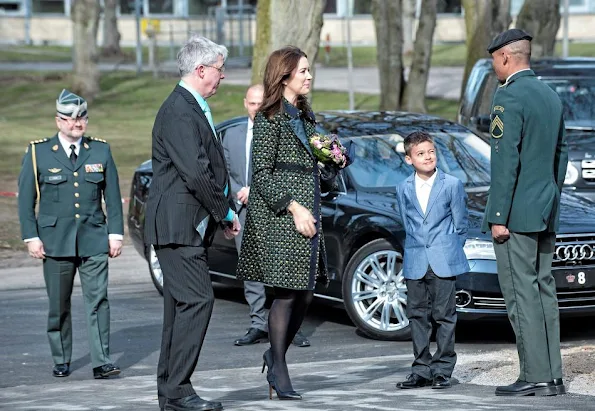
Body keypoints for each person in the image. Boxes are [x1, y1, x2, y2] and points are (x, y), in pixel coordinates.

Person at [145, 35, 240, 411]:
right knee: (199, 301)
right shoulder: (180, 110)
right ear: (200, 70)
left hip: (182, 225)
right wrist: (226, 212)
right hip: (177, 225)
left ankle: (170, 392)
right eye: (219, 69)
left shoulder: (189, 107)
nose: (222, 77)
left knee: (179, 307)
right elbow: (197, 173)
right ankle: (178, 390)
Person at [235, 46, 329, 400]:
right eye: (303, 70)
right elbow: (260, 173)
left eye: (308, 70)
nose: (309, 76)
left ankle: (274, 357)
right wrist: (294, 208)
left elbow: (309, 162)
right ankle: (280, 368)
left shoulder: (304, 115)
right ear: (285, 75)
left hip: (309, 210)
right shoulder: (269, 116)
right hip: (280, 216)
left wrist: (331, 164)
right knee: (288, 294)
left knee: (305, 293)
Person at [482, 29, 567, 397]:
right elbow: (560, 156)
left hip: (516, 214)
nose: (494, 69)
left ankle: (534, 374)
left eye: (493, 61)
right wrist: (551, 198)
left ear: (505, 57)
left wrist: (498, 215)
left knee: (521, 294)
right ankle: (553, 375)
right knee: (544, 290)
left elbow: (506, 163)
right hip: (545, 208)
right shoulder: (550, 95)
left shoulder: (508, 97)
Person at [17, 89, 124, 379]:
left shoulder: (100, 150)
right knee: (59, 303)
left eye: (81, 119)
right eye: (70, 119)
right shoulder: (39, 152)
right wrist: (31, 237)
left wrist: (116, 234)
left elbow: (112, 198)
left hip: (93, 238)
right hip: (54, 241)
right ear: (58, 120)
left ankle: (102, 360)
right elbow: (26, 200)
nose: (76, 124)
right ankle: (61, 357)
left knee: (98, 300)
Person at [223, 84, 311, 348]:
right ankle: (258, 323)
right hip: (243, 210)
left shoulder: (281, 129)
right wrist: (238, 193)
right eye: (252, 104)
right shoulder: (231, 136)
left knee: (284, 270)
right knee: (252, 272)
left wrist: (257, 191)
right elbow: (223, 173)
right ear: (244, 104)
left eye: (261, 103)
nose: (256, 109)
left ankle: (290, 327)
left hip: (277, 210)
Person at [394, 131, 469, 390]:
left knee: (444, 315)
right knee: (417, 315)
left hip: (443, 259)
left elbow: (461, 225)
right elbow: (407, 222)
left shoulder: (451, 184)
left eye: (431, 152)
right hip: (416, 259)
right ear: (408, 159)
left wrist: (448, 250)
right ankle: (421, 370)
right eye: (421, 153)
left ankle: (442, 369)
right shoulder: (403, 187)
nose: (427, 157)